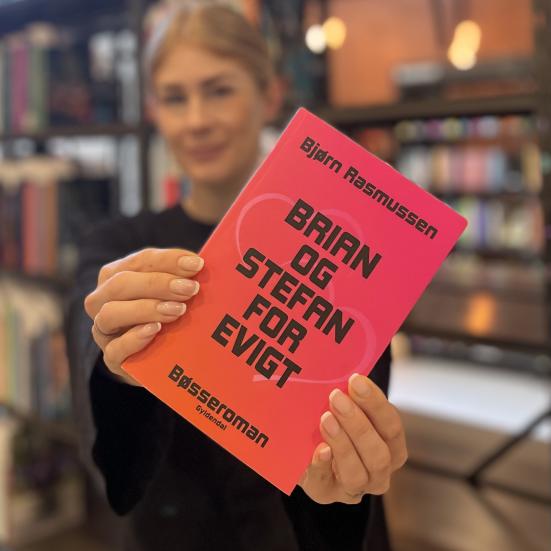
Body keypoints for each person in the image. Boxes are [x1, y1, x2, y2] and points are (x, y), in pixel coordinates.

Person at [64, 4, 407, 550]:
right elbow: (104, 417)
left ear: (269, 96)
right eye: (175, 98)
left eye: (219, 90)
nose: (196, 120)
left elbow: (351, 418)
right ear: (154, 111)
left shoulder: (332, 249)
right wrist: (119, 363)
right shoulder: (120, 246)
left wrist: (347, 468)